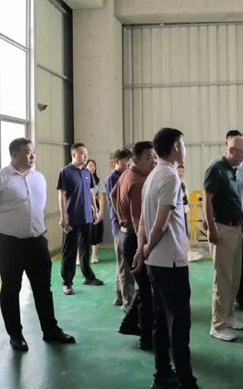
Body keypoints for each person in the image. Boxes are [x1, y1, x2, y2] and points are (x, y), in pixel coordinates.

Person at [0, 138, 75, 351]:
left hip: (37, 242)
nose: (32, 156)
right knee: (11, 288)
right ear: (14, 155)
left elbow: (38, 206)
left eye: (33, 152)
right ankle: (15, 335)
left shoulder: (39, 178)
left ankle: (50, 330)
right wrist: (0, 229)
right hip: (8, 244)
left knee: (43, 288)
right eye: (27, 152)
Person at [136, 127, 198, 389]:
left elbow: (143, 220)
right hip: (170, 262)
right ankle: (186, 381)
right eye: (183, 144)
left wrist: (142, 250)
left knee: (161, 321)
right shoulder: (170, 178)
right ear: (175, 146)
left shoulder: (152, 176)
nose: (185, 149)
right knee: (179, 324)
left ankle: (162, 374)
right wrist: (147, 248)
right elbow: (160, 224)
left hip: (156, 264)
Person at [112, 141, 157, 350]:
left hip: (125, 235)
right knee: (148, 291)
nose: (153, 161)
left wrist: (121, 218)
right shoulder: (138, 182)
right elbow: (139, 221)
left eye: (154, 156)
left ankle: (130, 323)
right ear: (136, 160)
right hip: (133, 238)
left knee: (144, 285)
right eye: (148, 157)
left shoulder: (126, 174)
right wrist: (142, 248)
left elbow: (113, 195)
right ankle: (146, 337)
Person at [204, 135, 243, 342]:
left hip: (235, 229)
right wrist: (212, 228)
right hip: (222, 229)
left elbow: (235, 200)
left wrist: (241, 225)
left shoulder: (235, 170)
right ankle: (218, 325)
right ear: (232, 150)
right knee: (222, 279)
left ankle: (229, 316)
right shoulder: (216, 169)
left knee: (234, 277)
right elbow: (207, 199)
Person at [209, 130, 243, 311]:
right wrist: (209, 223)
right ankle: (222, 312)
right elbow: (208, 197)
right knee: (223, 267)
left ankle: (238, 297)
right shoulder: (216, 167)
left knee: (240, 261)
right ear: (229, 147)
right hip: (222, 220)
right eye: (242, 152)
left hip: (242, 217)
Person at [57, 143, 104, 295]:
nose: (85, 157)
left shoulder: (86, 172)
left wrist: (95, 211)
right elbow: (61, 195)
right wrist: (63, 216)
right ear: (74, 155)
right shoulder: (65, 172)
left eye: (86, 154)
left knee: (85, 249)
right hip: (72, 218)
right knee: (69, 251)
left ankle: (88, 276)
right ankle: (67, 282)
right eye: (82, 154)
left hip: (87, 217)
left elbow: (91, 192)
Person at [105, 148, 135, 310]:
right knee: (125, 265)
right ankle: (128, 301)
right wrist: (123, 219)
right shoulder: (113, 178)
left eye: (130, 161)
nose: (128, 164)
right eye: (125, 161)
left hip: (123, 225)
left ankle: (119, 296)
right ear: (116, 161)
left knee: (121, 263)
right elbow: (115, 199)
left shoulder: (125, 175)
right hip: (120, 226)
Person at [86, 159, 105, 264]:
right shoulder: (82, 178)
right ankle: (79, 256)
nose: (92, 167)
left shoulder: (98, 180)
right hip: (84, 206)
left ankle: (94, 255)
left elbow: (100, 196)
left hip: (95, 206)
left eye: (93, 165)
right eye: (90, 165)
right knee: (83, 232)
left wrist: (101, 211)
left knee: (95, 231)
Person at [177, 165, 190, 238]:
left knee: (184, 225)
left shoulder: (183, 181)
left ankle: (185, 238)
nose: (181, 173)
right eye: (179, 171)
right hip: (179, 207)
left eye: (182, 171)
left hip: (184, 206)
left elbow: (186, 194)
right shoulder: (176, 182)